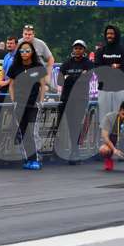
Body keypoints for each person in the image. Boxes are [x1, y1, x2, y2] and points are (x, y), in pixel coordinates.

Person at [7, 41, 47, 170]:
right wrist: (13, 100)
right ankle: (28, 159)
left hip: (33, 104)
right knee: (23, 132)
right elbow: (11, 85)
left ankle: (36, 159)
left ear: (32, 52)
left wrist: (41, 101)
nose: (24, 53)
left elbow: (43, 85)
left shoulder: (38, 66)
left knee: (33, 132)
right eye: (22, 51)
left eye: (27, 51)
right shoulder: (14, 67)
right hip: (19, 104)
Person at [56, 40, 95, 164]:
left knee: (76, 124)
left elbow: (86, 78)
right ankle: (65, 151)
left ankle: (75, 150)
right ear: (73, 49)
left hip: (81, 98)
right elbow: (59, 81)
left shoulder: (88, 63)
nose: (78, 50)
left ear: (84, 50)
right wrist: (78, 77)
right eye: (76, 48)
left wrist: (69, 78)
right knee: (67, 124)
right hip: (67, 98)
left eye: (80, 48)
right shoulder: (67, 63)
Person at [95, 25, 124, 126]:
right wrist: (114, 66)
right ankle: (104, 136)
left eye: (112, 33)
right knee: (104, 120)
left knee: (119, 119)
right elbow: (98, 71)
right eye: (107, 34)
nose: (109, 36)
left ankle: (117, 136)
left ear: (116, 35)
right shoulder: (100, 51)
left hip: (119, 89)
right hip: (104, 89)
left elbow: (123, 71)